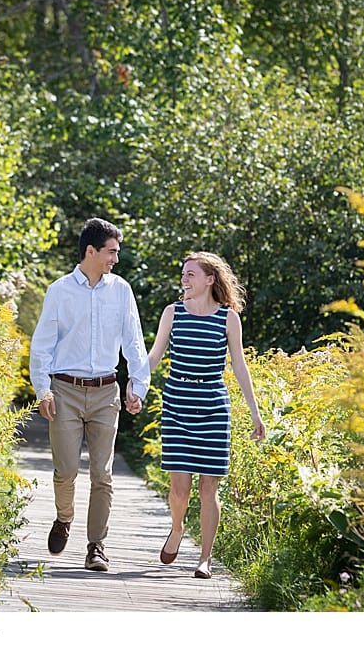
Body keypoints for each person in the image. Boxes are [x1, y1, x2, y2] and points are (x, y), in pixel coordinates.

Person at [28, 217, 149, 572]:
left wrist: (137, 386)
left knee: (103, 474)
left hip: (105, 392)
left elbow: (134, 342)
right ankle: (64, 518)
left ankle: (96, 545)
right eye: (111, 252)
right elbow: (42, 345)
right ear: (91, 251)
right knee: (65, 471)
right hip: (64, 390)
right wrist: (43, 390)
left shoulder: (121, 290)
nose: (115, 259)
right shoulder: (60, 290)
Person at [146, 251, 266, 579]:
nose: (184, 279)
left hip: (213, 406)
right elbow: (155, 354)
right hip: (177, 403)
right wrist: (135, 386)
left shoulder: (228, 318)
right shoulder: (173, 313)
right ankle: (177, 527)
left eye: (191, 274)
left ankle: (205, 558)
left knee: (208, 488)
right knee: (180, 490)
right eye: (183, 274)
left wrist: (256, 414)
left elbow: (239, 367)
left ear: (210, 279)